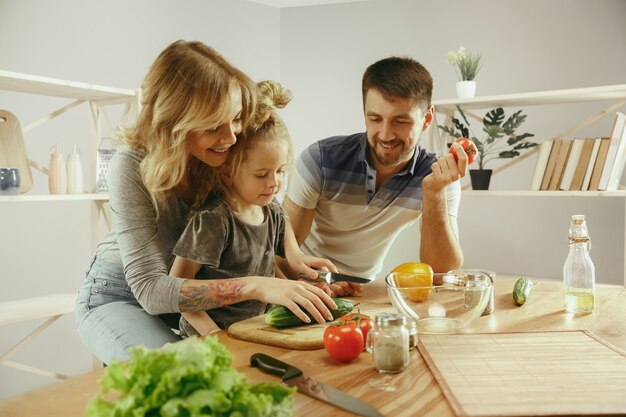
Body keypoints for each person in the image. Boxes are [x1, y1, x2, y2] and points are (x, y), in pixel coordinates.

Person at [74, 40, 337, 364]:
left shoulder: (219, 152)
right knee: (177, 378)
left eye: (236, 118)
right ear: (174, 121)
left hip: (193, 303)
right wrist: (256, 286)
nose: (230, 137)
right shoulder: (130, 166)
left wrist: (294, 263)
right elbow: (153, 291)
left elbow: (264, 206)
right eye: (214, 125)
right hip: (120, 296)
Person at [282, 56, 467, 297]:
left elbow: (442, 273)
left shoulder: (437, 177)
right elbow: (280, 251)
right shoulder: (320, 160)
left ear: (427, 119)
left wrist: (433, 194)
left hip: (364, 291)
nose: (386, 135)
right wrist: (314, 281)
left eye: (401, 121)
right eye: (375, 119)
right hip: (302, 285)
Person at [171, 80, 306, 337]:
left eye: (280, 171)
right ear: (228, 174)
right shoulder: (213, 222)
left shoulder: (272, 212)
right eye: (261, 174)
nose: (274, 183)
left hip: (253, 332)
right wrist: (213, 335)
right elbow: (178, 291)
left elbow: (270, 268)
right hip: (210, 336)